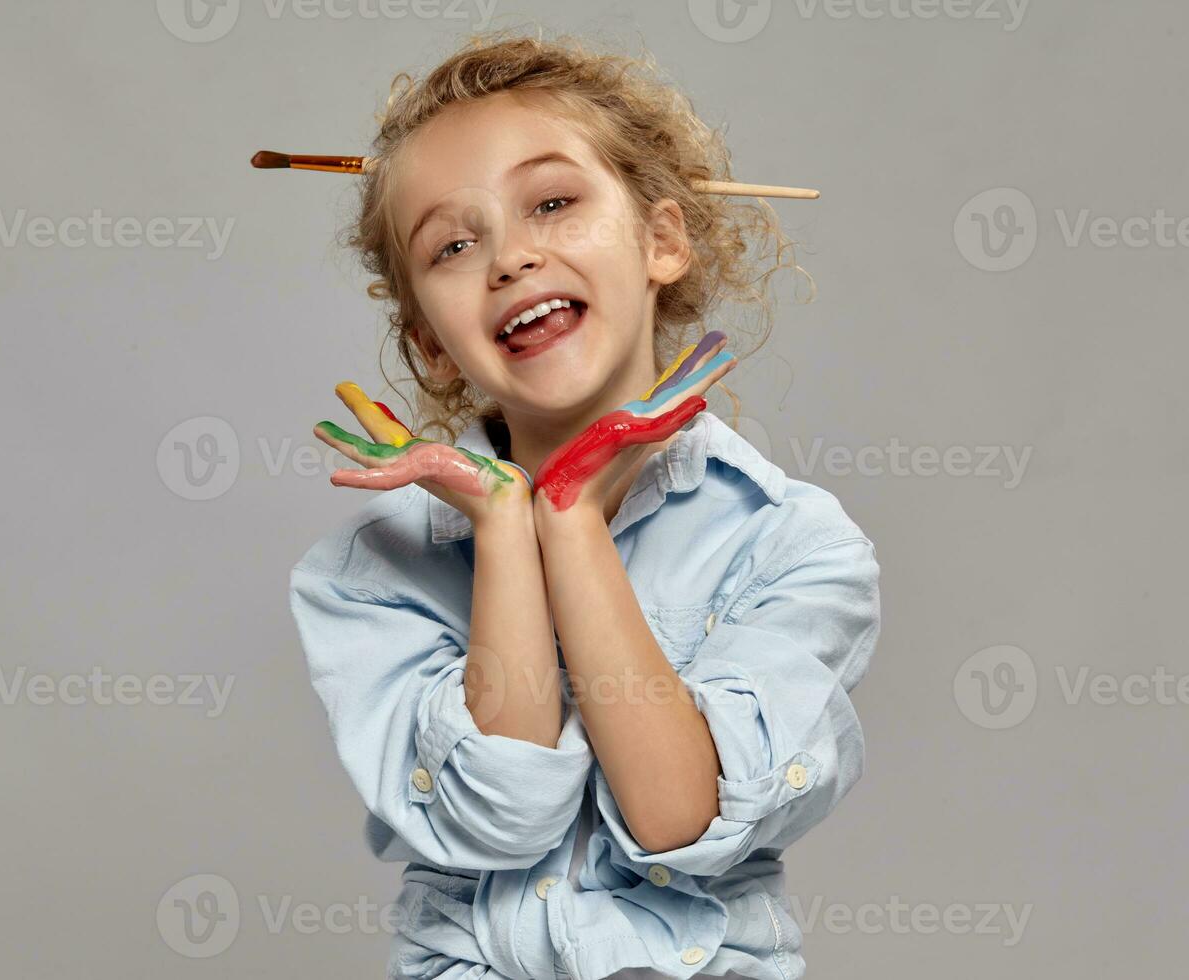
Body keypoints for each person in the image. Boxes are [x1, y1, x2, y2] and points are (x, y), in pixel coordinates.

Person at [288, 30, 882, 980]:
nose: (512, 258)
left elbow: (674, 815)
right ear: (431, 344)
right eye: (452, 243)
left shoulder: (792, 546)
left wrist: (565, 517)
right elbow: (502, 815)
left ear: (662, 239)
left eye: (554, 203)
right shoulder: (368, 576)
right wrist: (503, 523)